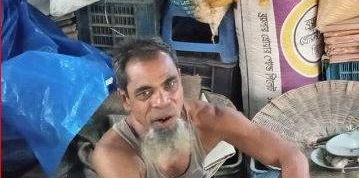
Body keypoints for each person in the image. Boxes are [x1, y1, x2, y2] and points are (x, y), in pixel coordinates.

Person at [91, 40, 310, 178]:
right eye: (145, 93)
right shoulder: (115, 155)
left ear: (179, 77)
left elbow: (291, 156)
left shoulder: (207, 120)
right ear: (126, 99)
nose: (163, 101)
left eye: (170, 84)